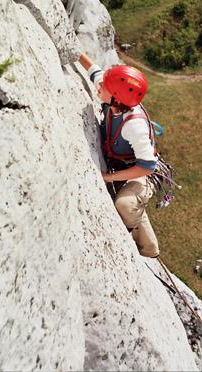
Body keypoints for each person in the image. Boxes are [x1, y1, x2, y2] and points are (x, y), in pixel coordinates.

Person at [78, 52, 159, 258]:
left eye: (104, 86)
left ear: (115, 97)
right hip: (124, 165)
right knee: (129, 202)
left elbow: (148, 165)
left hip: (140, 172)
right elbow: (93, 69)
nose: (99, 85)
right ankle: (150, 250)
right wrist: (72, 47)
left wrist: (108, 178)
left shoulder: (133, 124)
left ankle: (129, 236)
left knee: (126, 204)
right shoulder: (117, 97)